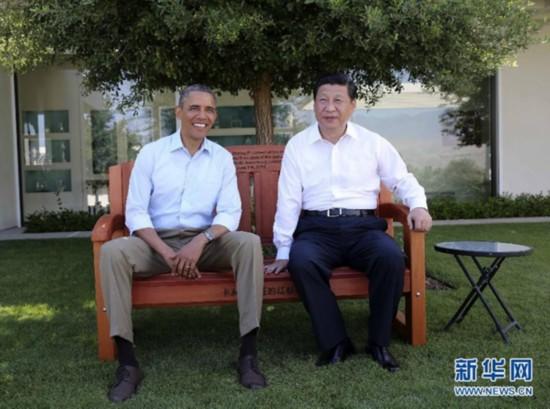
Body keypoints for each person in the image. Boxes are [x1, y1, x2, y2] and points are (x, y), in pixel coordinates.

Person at [100, 84, 267, 402]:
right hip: (154, 245)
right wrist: (167, 252)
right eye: (194, 108)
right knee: (112, 251)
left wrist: (199, 243)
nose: (201, 115)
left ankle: (248, 354)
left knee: (248, 243)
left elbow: (231, 211)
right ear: (178, 112)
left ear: (214, 116)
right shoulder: (152, 153)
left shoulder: (220, 158)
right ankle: (127, 362)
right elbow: (136, 211)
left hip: (204, 243)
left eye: (209, 110)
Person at [265, 73, 432, 372]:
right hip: (317, 231)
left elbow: (402, 179)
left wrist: (418, 206)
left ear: (352, 105)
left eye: (338, 100)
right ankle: (336, 341)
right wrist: (283, 250)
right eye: (323, 100)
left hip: (363, 230)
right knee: (301, 262)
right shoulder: (298, 146)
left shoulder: (372, 143)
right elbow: (288, 200)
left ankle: (378, 342)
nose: (330, 108)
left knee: (390, 257)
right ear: (314, 105)